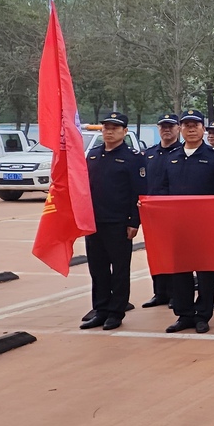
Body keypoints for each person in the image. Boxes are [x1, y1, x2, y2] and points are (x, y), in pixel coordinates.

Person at [80, 111, 144, 330]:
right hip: (94, 221)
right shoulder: (94, 155)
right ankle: (100, 309)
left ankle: (116, 312)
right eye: (106, 128)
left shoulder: (133, 158)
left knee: (119, 269)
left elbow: (138, 192)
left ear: (125, 132)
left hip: (118, 222)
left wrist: (134, 221)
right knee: (97, 269)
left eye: (115, 128)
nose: (109, 132)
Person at [161, 109, 214, 334]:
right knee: (180, 271)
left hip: (205, 227)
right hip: (178, 226)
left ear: (203, 129)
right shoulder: (172, 157)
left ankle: (203, 315)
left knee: (205, 273)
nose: (191, 129)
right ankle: (184, 314)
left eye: (195, 125)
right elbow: (163, 190)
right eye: (186, 125)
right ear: (181, 129)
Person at [140, 111, 181, 309]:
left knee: (174, 254)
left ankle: (175, 293)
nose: (166, 130)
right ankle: (160, 292)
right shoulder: (149, 154)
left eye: (170, 126)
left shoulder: (182, 153)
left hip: (174, 212)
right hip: (151, 212)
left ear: (178, 129)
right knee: (156, 252)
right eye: (163, 127)